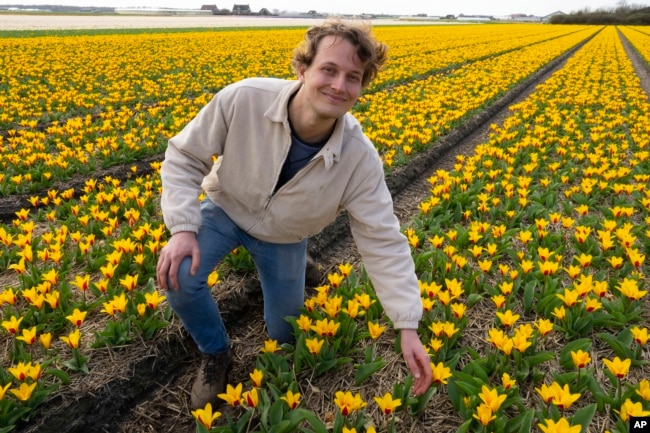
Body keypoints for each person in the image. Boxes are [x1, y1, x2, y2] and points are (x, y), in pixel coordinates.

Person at [156, 20, 433, 410]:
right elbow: (185, 156)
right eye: (329, 70)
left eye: (353, 77)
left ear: (362, 88)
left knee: (285, 336)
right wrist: (183, 228)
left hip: (284, 235)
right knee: (179, 277)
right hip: (226, 208)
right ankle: (216, 352)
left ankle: (298, 261)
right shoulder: (245, 98)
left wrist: (407, 325)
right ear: (303, 69)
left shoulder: (360, 158)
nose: (339, 85)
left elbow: (382, 239)